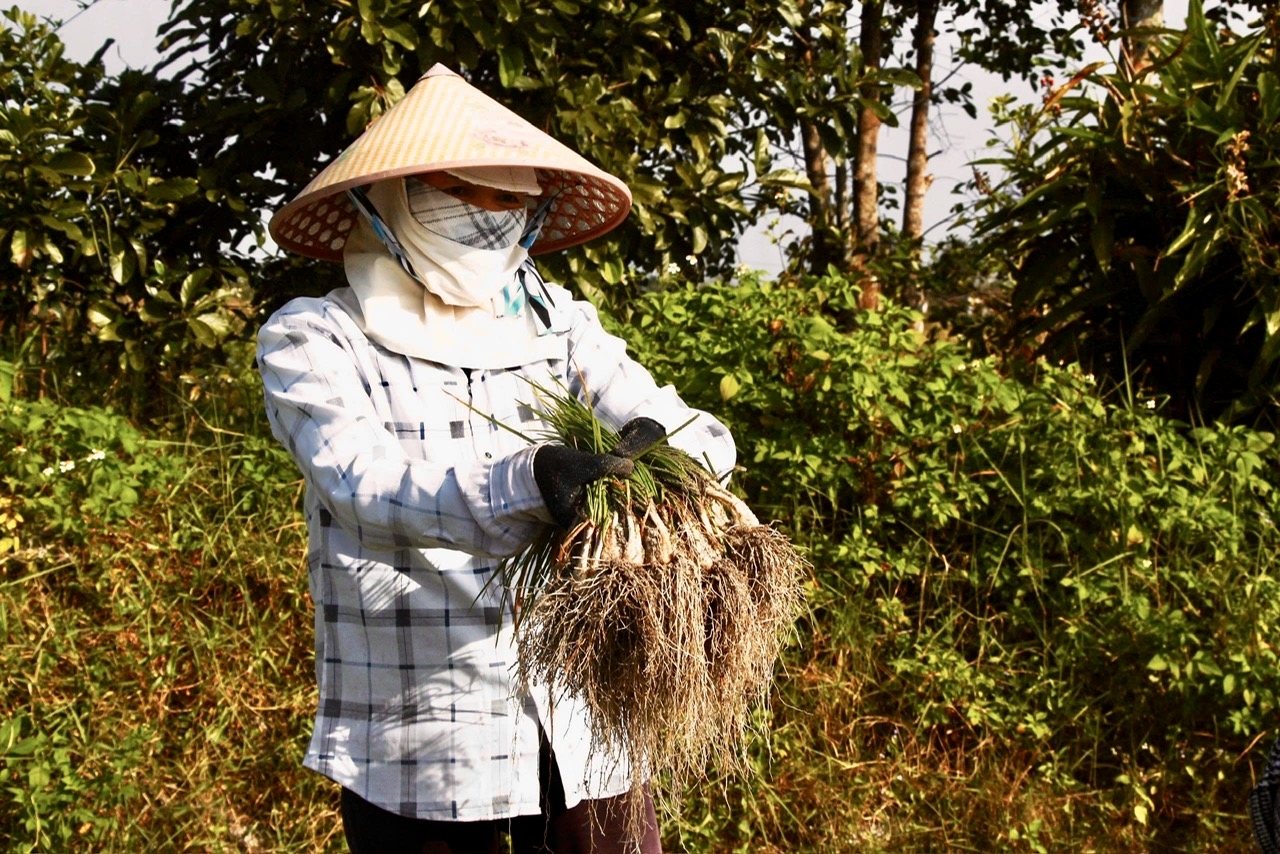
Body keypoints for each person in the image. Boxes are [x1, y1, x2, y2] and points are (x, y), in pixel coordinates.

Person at [256, 64, 736, 854]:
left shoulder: (557, 324)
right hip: (422, 729)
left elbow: (681, 423)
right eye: (460, 191)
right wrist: (533, 482)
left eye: (508, 198)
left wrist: (679, 459)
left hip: (586, 713)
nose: (487, 216)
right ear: (388, 198)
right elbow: (360, 482)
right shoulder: (315, 337)